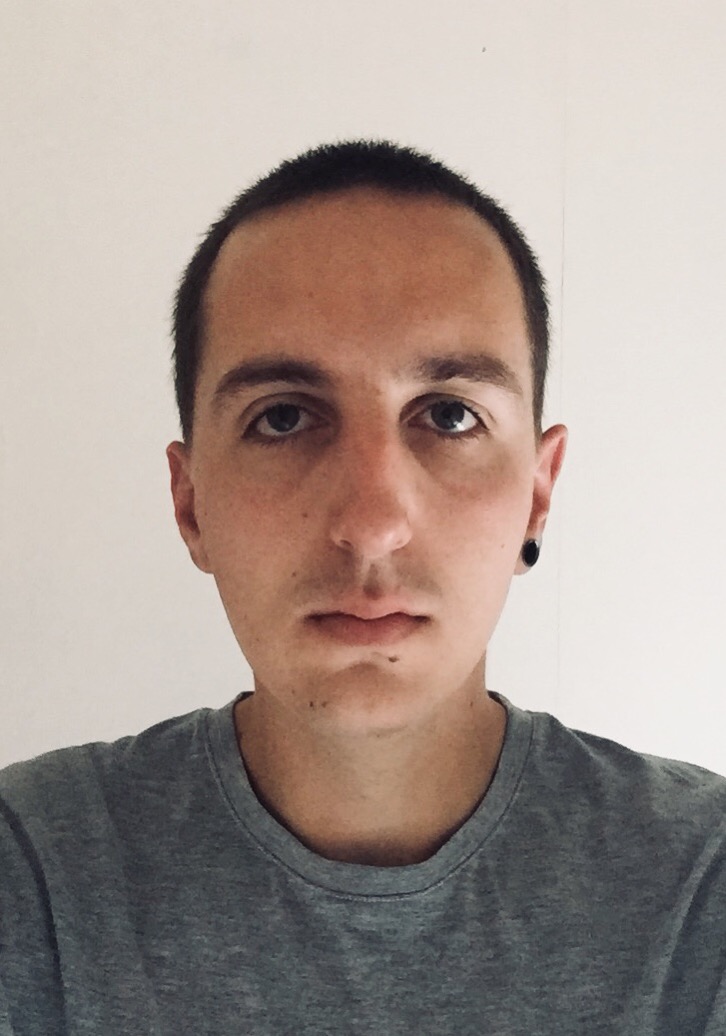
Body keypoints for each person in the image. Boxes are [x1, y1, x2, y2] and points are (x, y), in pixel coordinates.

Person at [1, 140, 724, 1035]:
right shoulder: (32, 877)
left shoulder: (702, 892)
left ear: (538, 496)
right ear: (191, 505)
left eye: (450, 416)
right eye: (283, 418)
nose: (373, 522)